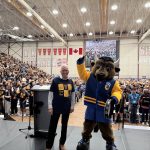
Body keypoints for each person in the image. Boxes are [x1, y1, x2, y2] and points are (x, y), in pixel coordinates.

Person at [46, 65, 75, 150]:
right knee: (52, 127)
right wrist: (50, 107)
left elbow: (73, 94)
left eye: (66, 70)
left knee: (64, 126)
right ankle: (48, 146)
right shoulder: (55, 81)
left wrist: (72, 106)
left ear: (68, 71)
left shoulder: (71, 82)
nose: (65, 72)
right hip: (56, 107)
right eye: (63, 70)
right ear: (60, 71)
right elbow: (50, 94)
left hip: (66, 107)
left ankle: (62, 144)